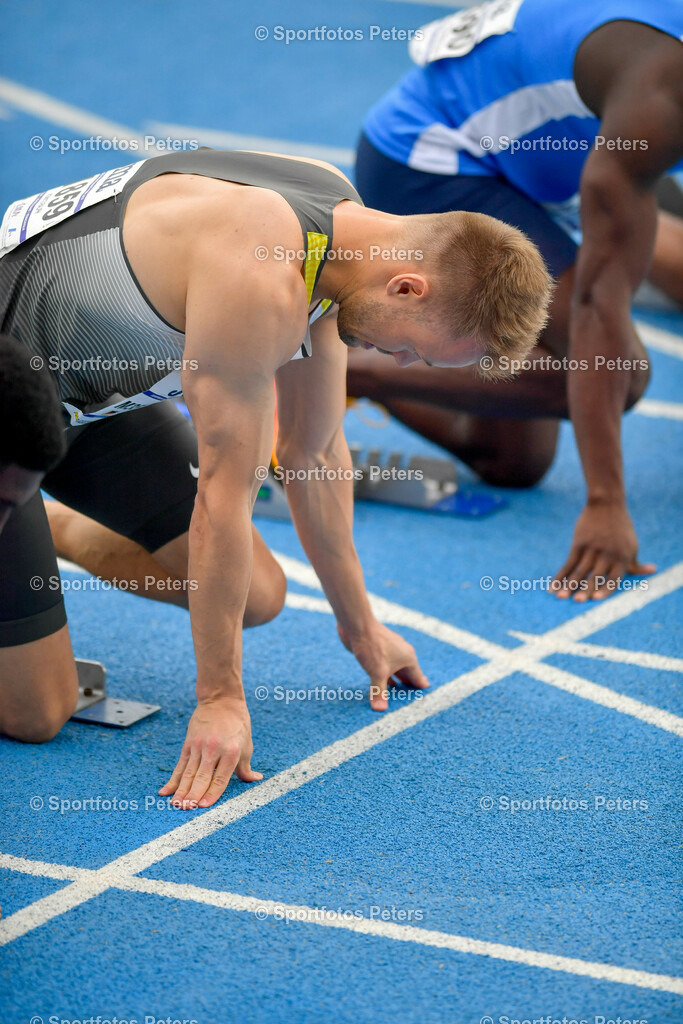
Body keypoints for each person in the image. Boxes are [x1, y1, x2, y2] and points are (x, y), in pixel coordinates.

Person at [0, 147, 552, 807]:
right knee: (37, 712)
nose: (394, 360)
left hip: (86, 402)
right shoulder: (256, 275)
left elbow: (312, 454)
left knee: (257, 596)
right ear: (408, 287)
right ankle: (21, 511)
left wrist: (360, 626)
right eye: (409, 348)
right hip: (12, 410)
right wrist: (219, 699)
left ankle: (47, 520)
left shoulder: (339, 236)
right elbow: (222, 501)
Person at [353, 0, 683, 601]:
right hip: (435, 158)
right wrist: (606, 502)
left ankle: (359, 370)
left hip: (551, 156)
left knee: (513, 463)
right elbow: (596, 304)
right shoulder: (662, 94)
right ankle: (337, 362)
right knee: (616, 374)